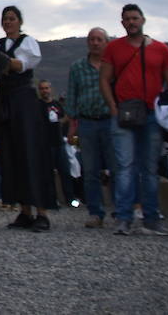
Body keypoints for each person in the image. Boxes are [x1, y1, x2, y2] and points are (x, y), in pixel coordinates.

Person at [99, 3, 168, 236]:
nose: (131, 22)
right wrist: (112, 107)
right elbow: (104, 79)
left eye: (135, 18)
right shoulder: (113, 48)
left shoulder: (161, 49)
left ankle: (151, 219)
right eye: (127, 19)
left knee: (150, 168)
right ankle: (124, 218)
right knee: (125, 167)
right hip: (123, 112)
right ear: (122, 23)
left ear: (143, 20)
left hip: (152, 114)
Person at [0, 5, 54, 230]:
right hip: (5, 101)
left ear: (20, 21)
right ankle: (24, 211)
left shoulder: (27, 43)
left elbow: (17, 66)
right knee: (11, 153)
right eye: (5, 19)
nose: (8, 22)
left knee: (30, 151)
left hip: (23, 101)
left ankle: (41, 211)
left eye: (12, 19)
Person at [67, 26, 112, 227]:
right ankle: (96, 212)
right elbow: (72, 97)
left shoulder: (112, 65)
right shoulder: (77, 68)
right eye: (92, 39)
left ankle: (121, 211)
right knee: (90, 170)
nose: (95, 42)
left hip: (110, 120)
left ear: (106, 42)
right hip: (86, 122)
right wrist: (72, 125)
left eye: (99, 39)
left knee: (117, 168)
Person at [37, 79, 78, 208]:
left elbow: (66, 116)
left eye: (46, 88)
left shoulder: (56, 104)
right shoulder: (37, 105)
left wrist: (60, 121)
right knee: (48, 174)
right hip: (45, 143)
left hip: (59, 142)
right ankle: (52, 200)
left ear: (50, 89)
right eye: (42, 88)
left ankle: (70, 199)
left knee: (65, 171)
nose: (45, 91)